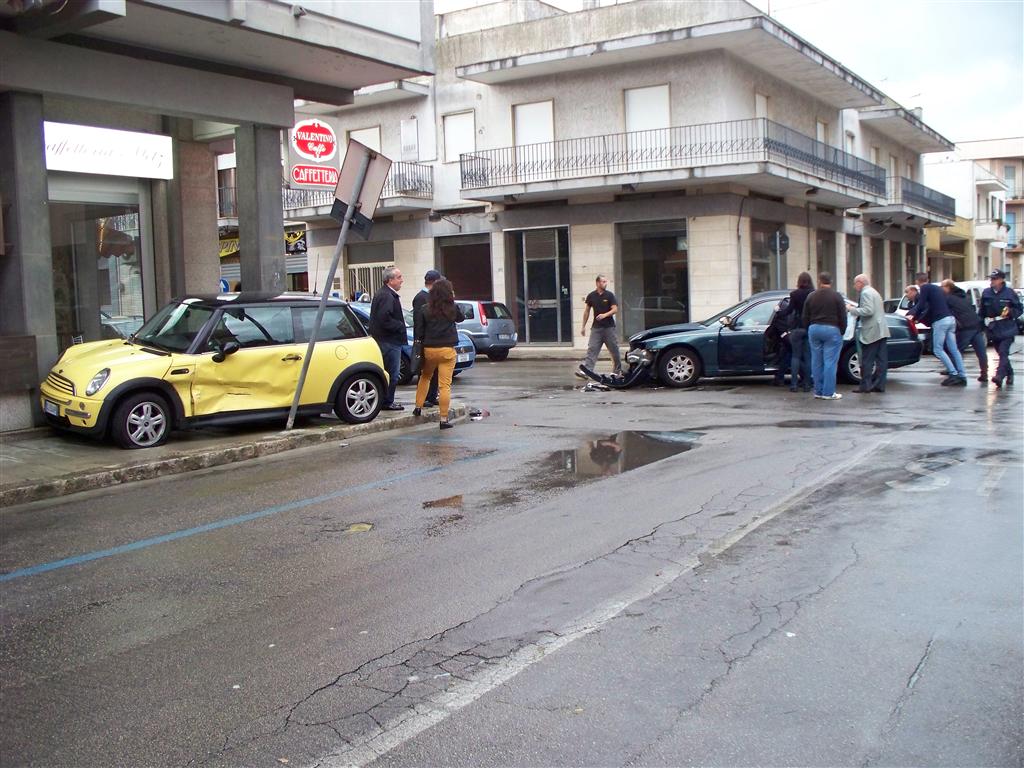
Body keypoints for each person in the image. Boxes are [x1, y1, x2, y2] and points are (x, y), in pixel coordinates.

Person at [413, 278, 465, 429]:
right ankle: (443, 419)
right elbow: (461, 318)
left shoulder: (425, 309)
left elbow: (420, 331)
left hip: (429, 350)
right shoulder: (452, 308)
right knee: (444, 386)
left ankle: (418, 407)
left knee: (425, 377)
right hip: (447, 351)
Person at [906, 272, 966, 386]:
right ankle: (962, 375)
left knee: (938, 349)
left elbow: (921, 304)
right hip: (950, 319)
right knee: (954, 349)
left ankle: (953, 374)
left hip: (940, 321)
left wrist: (914, 317)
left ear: (917, 282)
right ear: (927, 279)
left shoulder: (924, 288)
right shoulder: (937, 289)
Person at [802, 271, 847, 401]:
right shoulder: (837, 296)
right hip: (832, 329)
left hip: (814, 328)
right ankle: (828, 392)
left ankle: (818, 390)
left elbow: (805, 315)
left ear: (819, 281)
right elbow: (842, 315)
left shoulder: (811, 296)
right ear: (830, 282)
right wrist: (842, 330)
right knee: (830, 362)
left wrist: (808, 328)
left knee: (816, 361)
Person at [369, 266, 407, 411]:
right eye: (399, 277)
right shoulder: (386, 296)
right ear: (390, 280)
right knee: (393, 373)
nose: (401, 280)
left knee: (388, 372)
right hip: (389, 341)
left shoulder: (385, 294)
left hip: (387, 340)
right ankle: (387, 401)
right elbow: (384, 318)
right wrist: (400, 326)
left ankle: (384, 400)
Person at [845, 273, 890, 393]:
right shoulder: (874, 292)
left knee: (867, 359)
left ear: (860, 282)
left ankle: (865, 386)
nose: (855, 287)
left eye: (855, 284)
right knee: (881, 360)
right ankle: (880, 385)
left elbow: (868, 310)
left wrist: (851, 309)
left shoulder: (865, 293)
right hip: (881, 330)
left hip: (871, 331)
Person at [978, 269, 1023, 388]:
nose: (992, 281)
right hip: (993, 328)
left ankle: (999, 376)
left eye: (995, 279)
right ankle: (1010, 373)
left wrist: (1010, 312)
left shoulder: (1009, 293)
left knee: (1003, 351)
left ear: (1002, 280)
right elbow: (982, 310)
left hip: (1007, 327)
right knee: (1000, 353)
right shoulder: (987, 292)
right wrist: (980, 324)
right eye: (991, 279)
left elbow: (1019, 309)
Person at [941, 279, 987, 382]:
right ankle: (984, 374)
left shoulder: (948, 299)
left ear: (948, 287)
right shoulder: (966, 296)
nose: (941, 289)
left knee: (955, 350)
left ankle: (955, 373)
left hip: (965, 327)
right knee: (981, 352)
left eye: (942, 286)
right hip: (976, 325)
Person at [577, 274, 622, 379]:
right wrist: (583, 326)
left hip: (609, 328)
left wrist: (605, 315)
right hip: (596, 328)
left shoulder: (609, 295)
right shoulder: (591, 296)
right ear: (597, 283)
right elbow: (586, 311)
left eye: (606, 282)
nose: (605, 283)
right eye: (603, 281)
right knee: (592, 348)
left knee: (614, 349)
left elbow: (615, 309)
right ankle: (587, 371)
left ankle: (617, 371)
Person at [412, 269, 443, 408]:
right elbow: (419, 321)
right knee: (425, 371)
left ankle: (432, 396)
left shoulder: (433, 297)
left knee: (435, 370)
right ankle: (423, 397)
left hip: (435, 340)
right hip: (425, 340)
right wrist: (419, 341)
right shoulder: (420, 298)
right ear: (434, 282)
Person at [787, 271, 815, 393]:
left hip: (797, 328)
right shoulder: (813, 294)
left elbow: (788, 310)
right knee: (808, 357)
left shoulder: (794, 294)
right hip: (809, 327)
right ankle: (807, 384)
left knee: (795, 356)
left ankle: (793, 384)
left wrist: (778, 311)